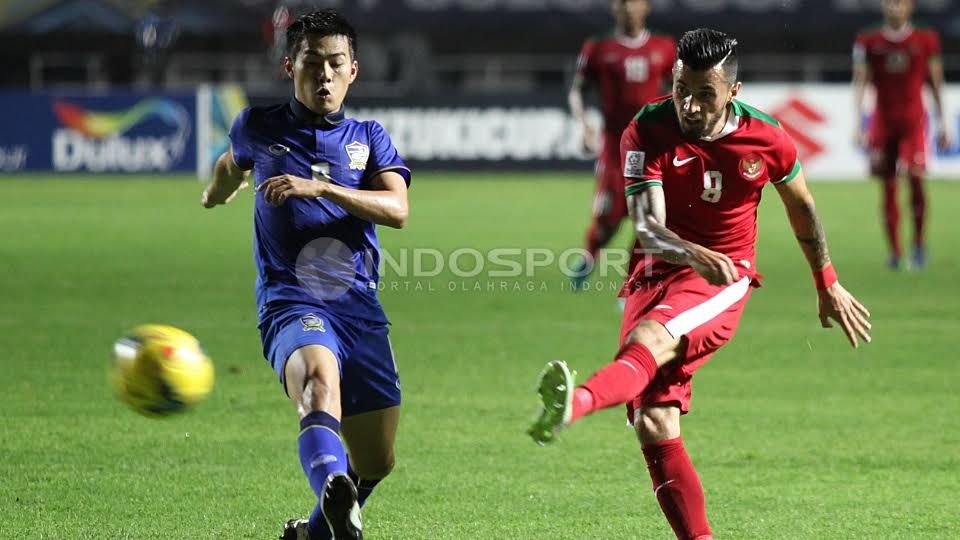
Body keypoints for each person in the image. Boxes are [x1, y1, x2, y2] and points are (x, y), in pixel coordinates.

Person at [529, 29, 872, 540]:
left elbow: (802, 207)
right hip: (656, 270)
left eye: (704, 94)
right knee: (654, 423)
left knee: (647, 342)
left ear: (733, 92)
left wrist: (827, 281)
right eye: (681, 89)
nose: (689, 104)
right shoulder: (647, 128)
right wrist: (690, 252)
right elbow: (646, 226)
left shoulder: (768, 138)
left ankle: (573, 405)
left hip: (724, 276)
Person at [201, 10, 410, 540]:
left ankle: (315, 530)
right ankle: (330, 479)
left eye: (336, 64)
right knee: (319, 381)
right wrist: (215, 194)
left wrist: (325, 189)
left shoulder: (369, 137)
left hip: (359, 309)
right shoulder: (258, 126)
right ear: (288, 66)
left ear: (354, 70)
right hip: (291, 301)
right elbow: (232, 164)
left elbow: (397, 209)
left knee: (378, 460)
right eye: (312, 63)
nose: (324, 76)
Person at [568, 0, 675, 288]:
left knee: (651, 216)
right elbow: (577, 91)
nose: (629, 9)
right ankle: (587, 259)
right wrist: (584, 124)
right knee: (609, 217)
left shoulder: (665, 46)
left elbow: (677, 89)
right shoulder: (598, 47)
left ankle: (633, 283)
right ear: (614, 9)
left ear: (647, 8)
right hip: (614, 147)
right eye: (623, 3)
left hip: (651, 144)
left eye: (635, 3)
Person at [852, 0, 949, 270]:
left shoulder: (926, 38)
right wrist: (858, 123)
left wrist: (944, 123)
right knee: (888, 185)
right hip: (883, 123)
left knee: (916, 178)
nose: (894, 8)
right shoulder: (869, 40)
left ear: (910, 6)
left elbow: (936, 82)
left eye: (899, 2)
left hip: (914, 122)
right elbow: (860, 82)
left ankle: (918, 245)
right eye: (890, 3)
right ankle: (895, 251)